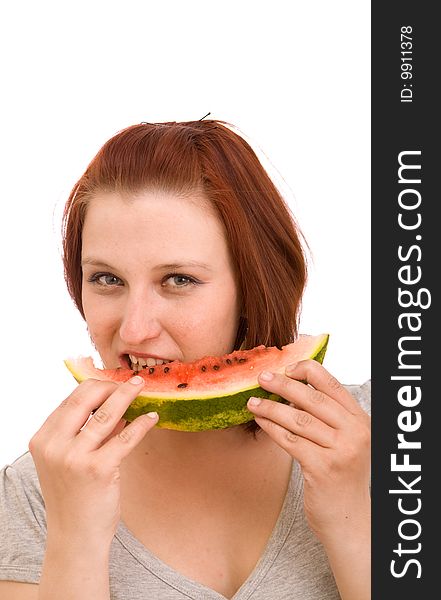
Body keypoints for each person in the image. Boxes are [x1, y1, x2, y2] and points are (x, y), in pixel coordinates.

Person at [0, 119, 371, 600]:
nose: (134, 330)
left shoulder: (386, 434)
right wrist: (75, 538)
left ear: (256, 284)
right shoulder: (36, 491)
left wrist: (355, 524)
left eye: (178, 280)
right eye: (107, 280)